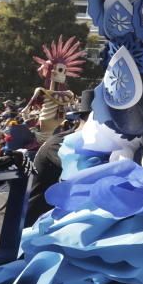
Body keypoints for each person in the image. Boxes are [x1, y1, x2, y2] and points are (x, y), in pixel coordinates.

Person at [25, 89, 94, 225]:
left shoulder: (84, 142)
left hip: (58, 220)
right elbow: (83, 171)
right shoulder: (60, 143)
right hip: (37, 222)